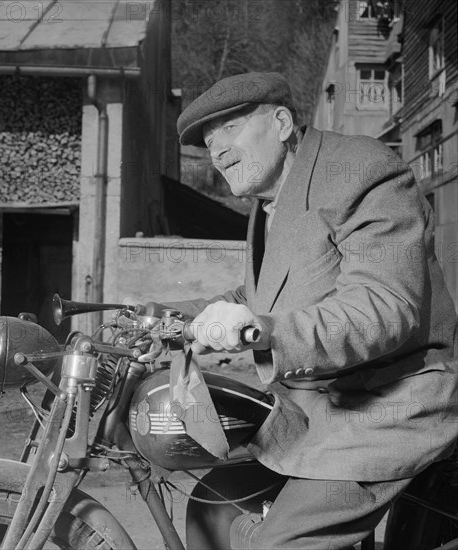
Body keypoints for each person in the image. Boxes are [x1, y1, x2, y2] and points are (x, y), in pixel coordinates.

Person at [157, 72, 458, 549]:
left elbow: (385, 305)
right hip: (313, 412)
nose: (217, 151)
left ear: (281, 123)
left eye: (230, 128)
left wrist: (263, 329)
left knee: (274, 544)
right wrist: (165, 318)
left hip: (386, 406)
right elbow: (259, 297)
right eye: (210, 142)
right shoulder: (272, 201)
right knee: (212, 513)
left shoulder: (360, 169)